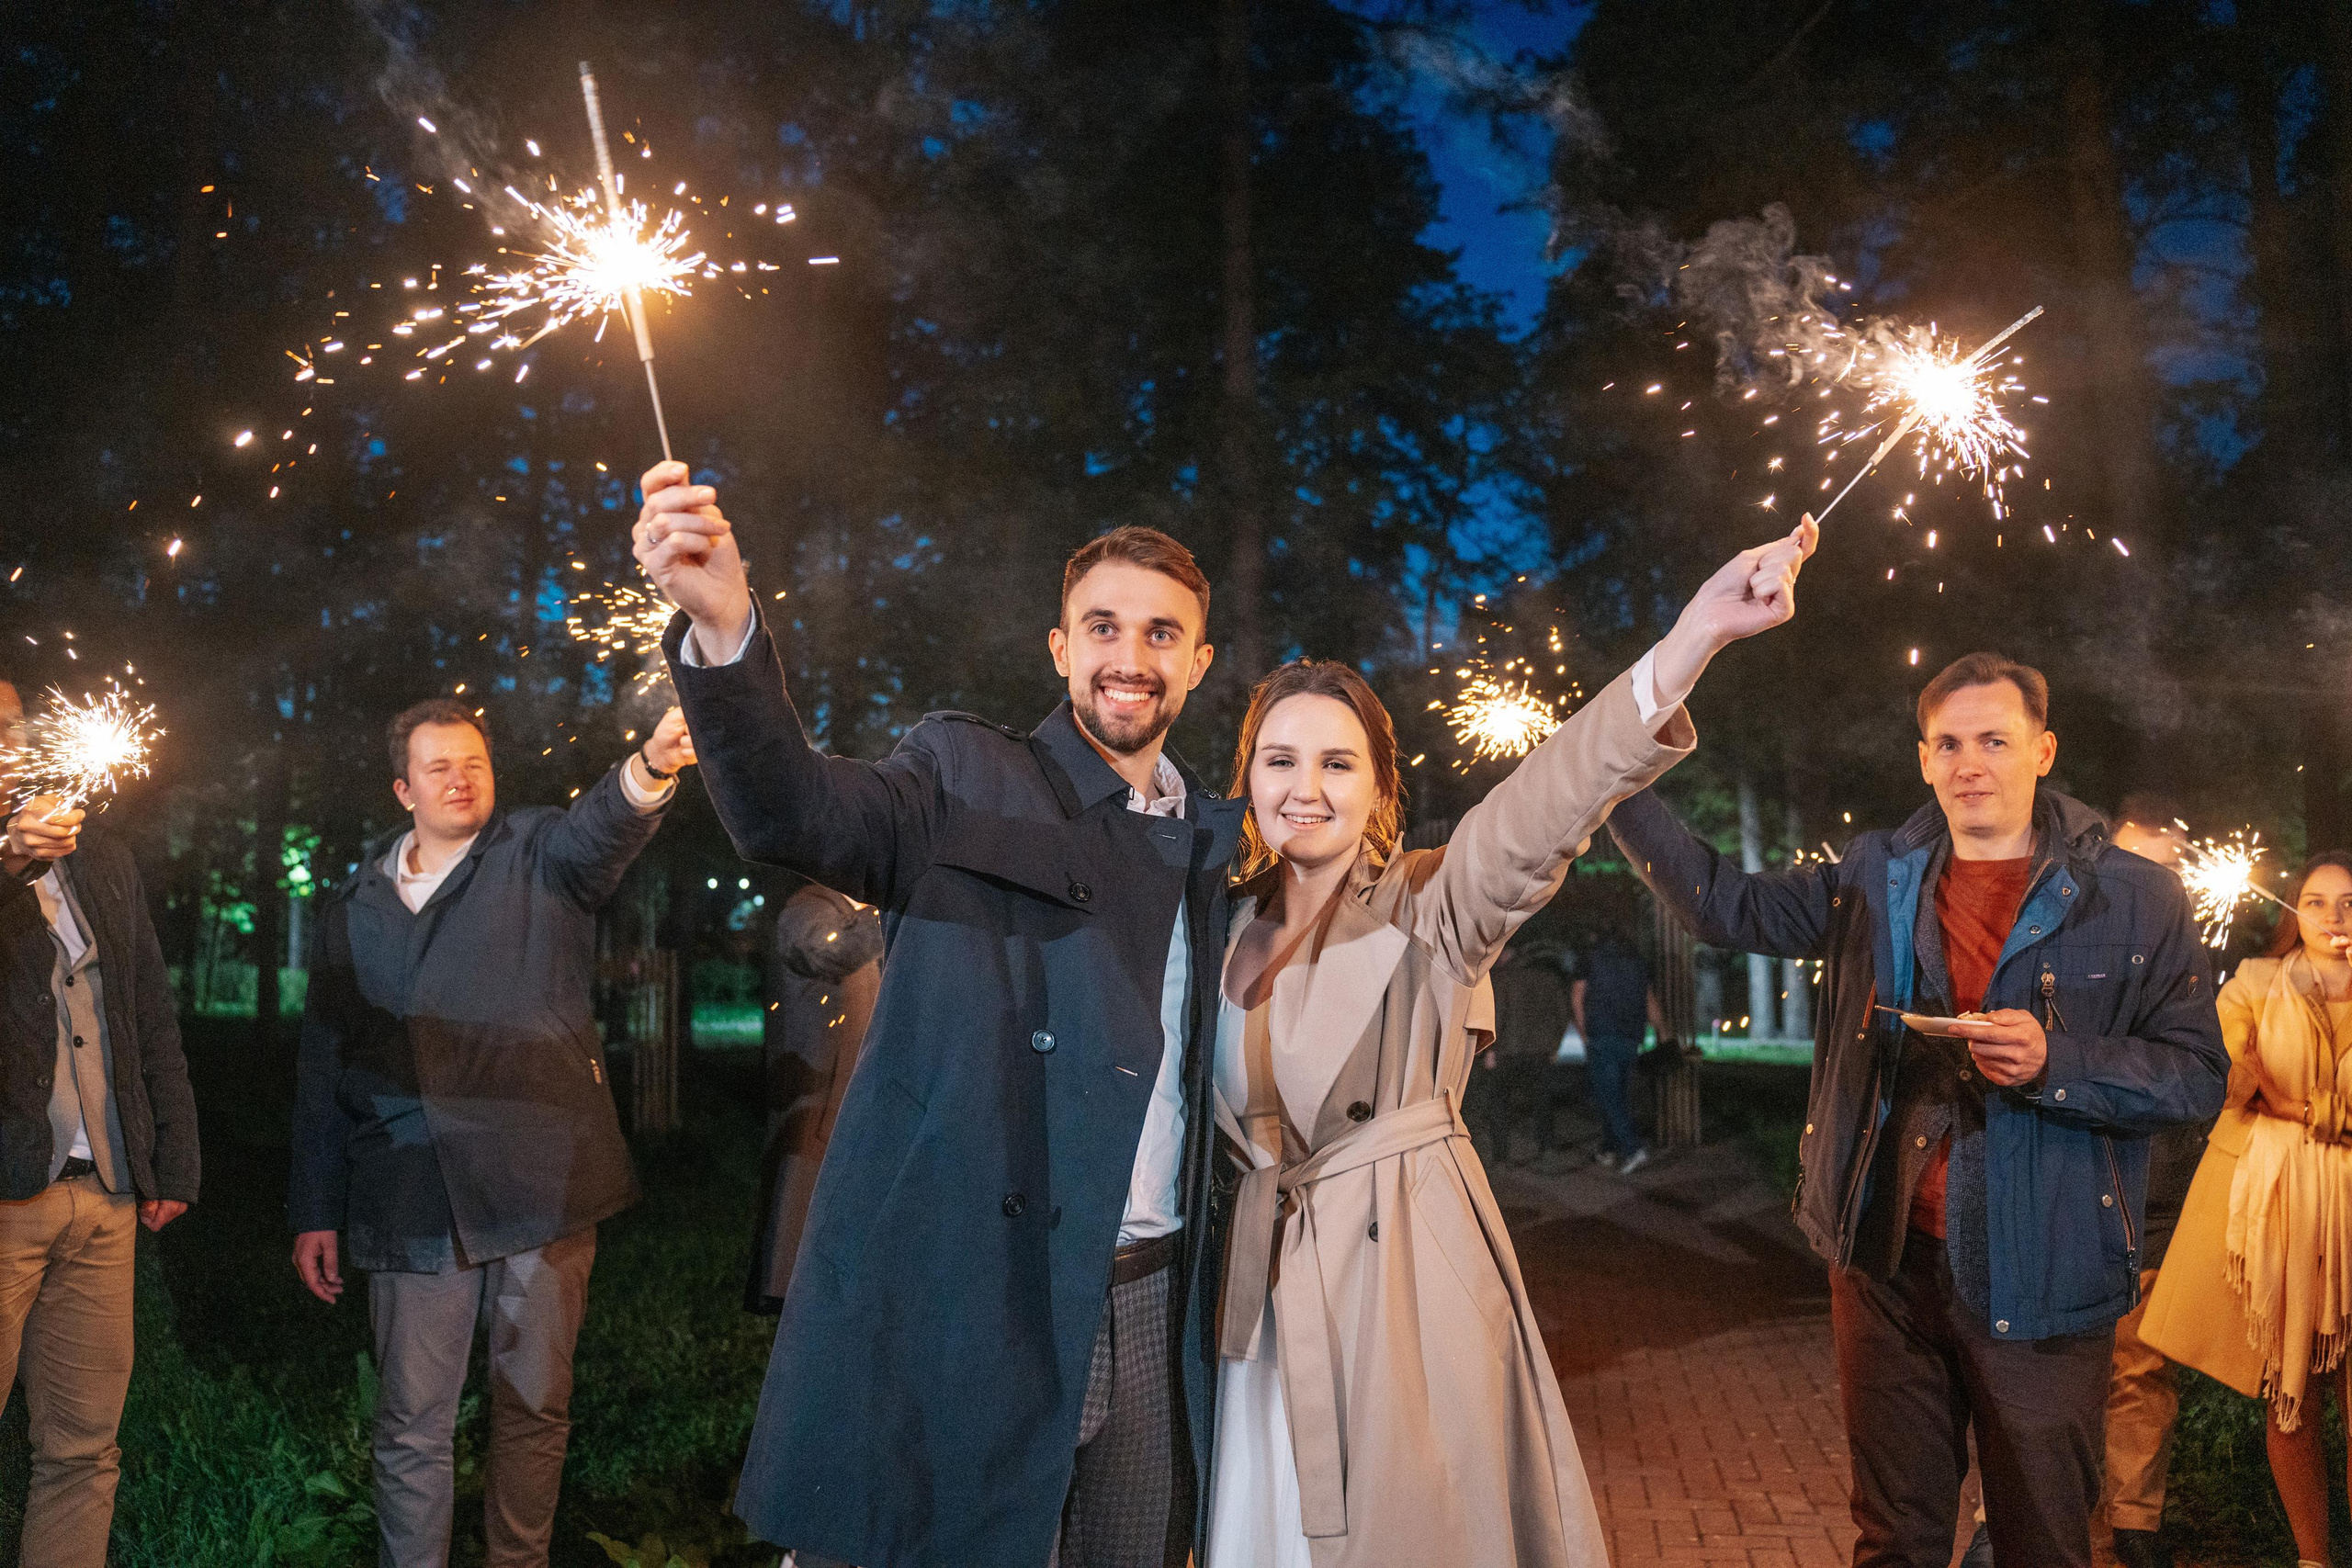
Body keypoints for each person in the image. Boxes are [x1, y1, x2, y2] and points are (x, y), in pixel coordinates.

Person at [634, 457, 1247, 1568]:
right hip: (975, 1295)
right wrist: (725, 629)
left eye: (1162, 635)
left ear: (1197, 664)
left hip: (1154, 1297)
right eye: (1101, 628)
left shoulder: (1217, 838)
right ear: (1060, 650)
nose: (1129, 657)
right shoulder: (963, 772)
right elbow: (795, 811)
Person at [1204, 518, 1815, 1565]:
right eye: (1280, 757)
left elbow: (1547, 805)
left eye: (1338, 762)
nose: (1306, 785)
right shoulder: (1213, 929)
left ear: (1380, 788)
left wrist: (1693, 637)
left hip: (1394, 1295)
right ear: (1248, 777)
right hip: (1250, 1317)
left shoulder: (1431, 904)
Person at [1608, 651, 2227, 1568]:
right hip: (1885, 1268)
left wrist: (2057, 1059)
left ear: (2042, 751)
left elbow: (2193, 1076)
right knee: (1893, 1537)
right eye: (1947, 743)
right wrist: (1609, 773)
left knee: (2043, 1542)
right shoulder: (1874, 876)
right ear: (1923, 761)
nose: (1968, 761)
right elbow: (1720, 905)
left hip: (2046, 1272)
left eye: (1992, 740)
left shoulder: (2135, 897)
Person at [288, 698, 694, 1568]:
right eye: (439, 766)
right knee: (411, 1423)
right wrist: (314, 1206)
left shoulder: (537, 854)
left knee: (535, 1405)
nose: (461, 778)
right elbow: (324, 1067)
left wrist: (651, 764)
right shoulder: (352, 905)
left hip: (538, 1185)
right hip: (410, 1193)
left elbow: (603, 828)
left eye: (474, 761)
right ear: (404, 788)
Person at [0, 676, 198, 1565]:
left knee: (84, 1452)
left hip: (103, 1197)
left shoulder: (100, 857)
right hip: (5, 1200)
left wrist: (173, 1157)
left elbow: (148, 1008)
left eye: (9, 725)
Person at [2141, 852, 2352, 1568]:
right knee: (2292, 1392)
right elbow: (2226, 1078)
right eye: (2318, 902)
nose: (2335, 918)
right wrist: (2237, 1075)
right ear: (2295, 913)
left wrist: (2290, 1103)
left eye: (2349, 903)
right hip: (2283, 1212)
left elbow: (2274, 1096)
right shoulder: (2258, 983)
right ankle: (2314, 1558)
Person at [2092, 802, 2201, 1568]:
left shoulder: (2197, 973)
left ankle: (2134, 1528)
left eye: (2165, 866)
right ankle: (2012, 1513)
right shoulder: (2076, 949)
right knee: (2043, 1368)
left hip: (2159, 1199)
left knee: (2141, 1368)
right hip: (2070, 1193)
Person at [747, 880, 883, 1313]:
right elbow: (830, 951)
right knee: (802, 1211)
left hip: (854, 1093)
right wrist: (891, 912)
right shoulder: (806, 909)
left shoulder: (857, 916)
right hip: (815, 1100)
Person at [1470, 939, 1572, 1168]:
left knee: (1498, 1104)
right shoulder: (1548, 979)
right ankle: (1547, 1151)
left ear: (1507, 953)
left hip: (1507, 1051)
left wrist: (1490, 1050)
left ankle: (1501, 1158)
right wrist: (1554, 1045)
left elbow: (1497, 1016)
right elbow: (1562, 1014)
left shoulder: (1502, 979)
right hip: (1540, 1051)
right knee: (1542, 1102)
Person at [1573, 923, 1665, 1175]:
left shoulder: (1590, 959)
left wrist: (1583, 1032)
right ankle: (1609, 1148)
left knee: (1608, 1096)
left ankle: (1633, 1148)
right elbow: (1649, 1000)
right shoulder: (1637, 962)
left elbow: (1578, 996)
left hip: (1602, 1034)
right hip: (1631, 1036)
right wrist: (1662, 1031)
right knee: (1617, 1093)